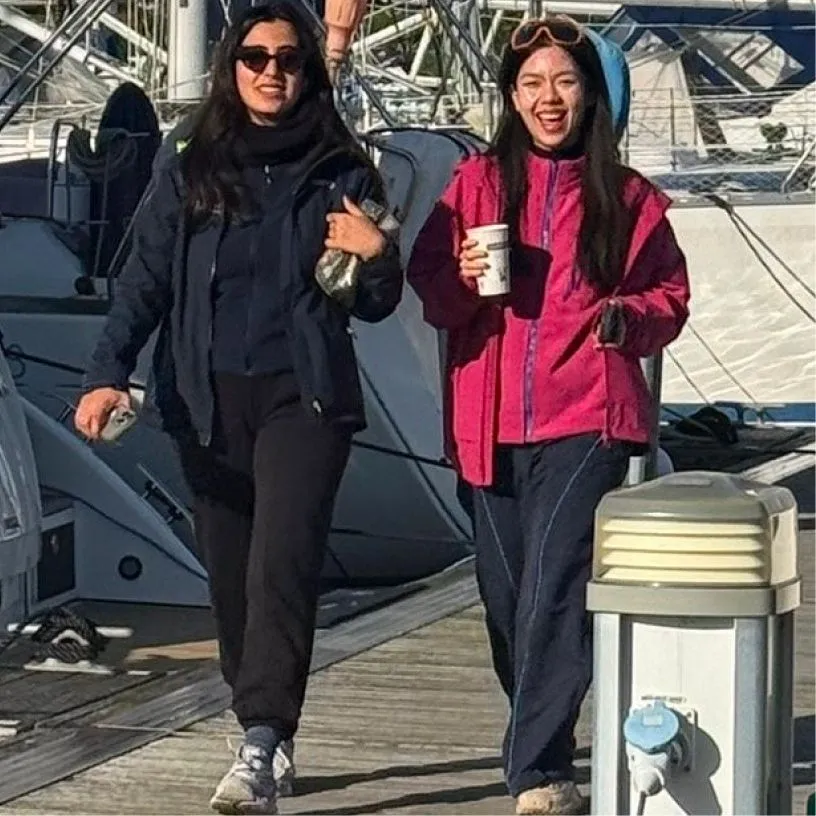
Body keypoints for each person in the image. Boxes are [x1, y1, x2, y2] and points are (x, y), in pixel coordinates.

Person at [74, 2, 402, 813]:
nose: (271, 72)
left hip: (305, 397)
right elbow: (145, 277)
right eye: (254, 57)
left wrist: (378, 254)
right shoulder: (192, 161)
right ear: (231, 67)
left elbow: (374, 304)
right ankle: (262, 724)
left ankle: (261, 738)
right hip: (205, 398)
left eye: (288, 59)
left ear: (306, 71)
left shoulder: (341, 168)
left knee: (280, 566)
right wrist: (106, 370)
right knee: (231, 581)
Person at [407, 16, 689, 816]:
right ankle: (547, 731)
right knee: (506, 604)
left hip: (587, 418)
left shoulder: (629, 198)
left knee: (552, 591)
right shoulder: (474, 187)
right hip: (486, 424)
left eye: (563, 81)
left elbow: (669, 299)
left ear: (588, 94)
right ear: (510, 97)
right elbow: (431, 292)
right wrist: (463, 277)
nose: (548, 98)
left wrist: (625, 319)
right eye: (531, 84)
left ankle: (537, 772)